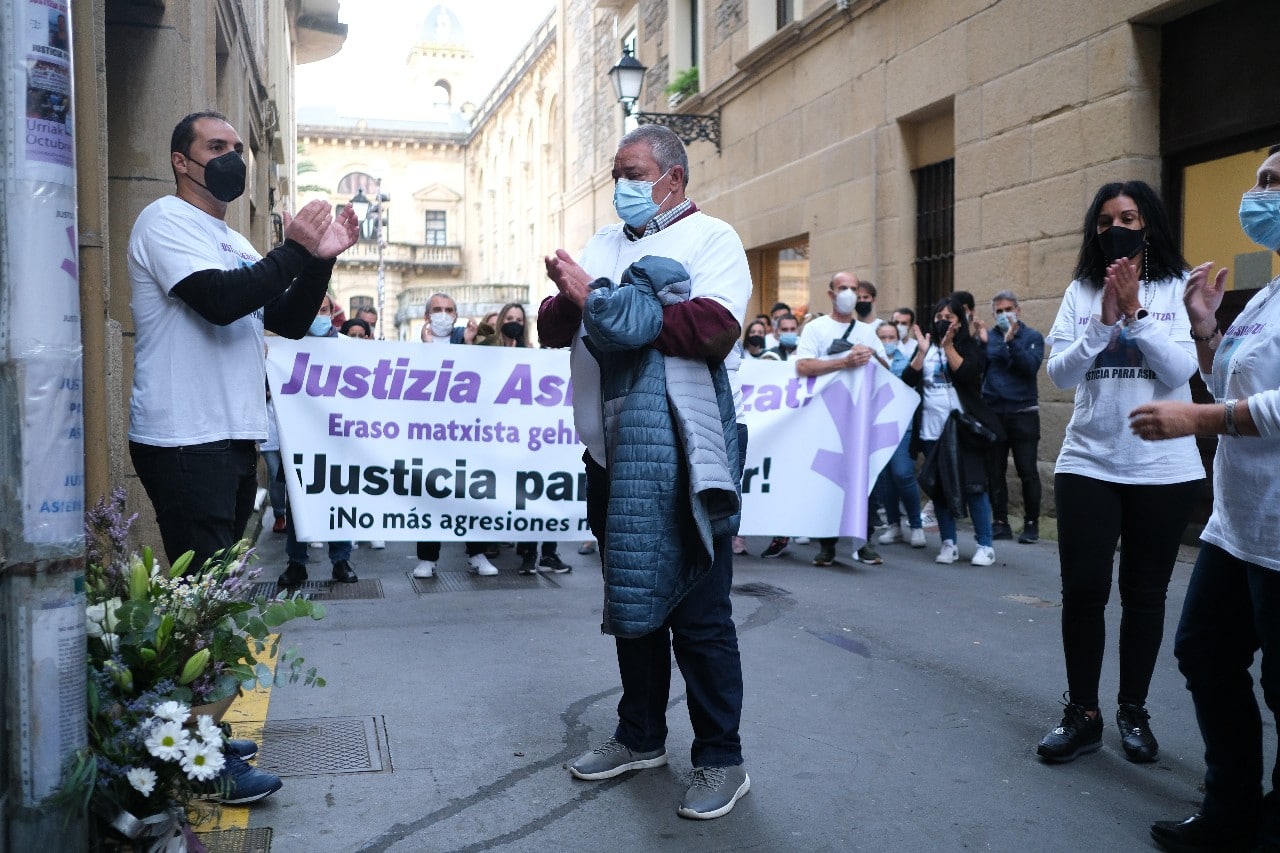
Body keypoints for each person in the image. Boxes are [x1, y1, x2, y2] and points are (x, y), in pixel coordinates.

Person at [127, 110, 358, 806]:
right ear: (181, 160)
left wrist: (320, 259)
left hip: (230, 436)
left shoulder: (231, 238)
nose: (232, 157)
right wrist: (293, 250)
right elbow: (222, 301)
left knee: (214, 604)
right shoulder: (163, 222)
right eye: (216, 146)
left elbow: (281, 318)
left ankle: (204, 735)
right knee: (199, 607)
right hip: (182, 436)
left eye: (238, 148)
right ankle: (200, 761)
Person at [539, 124, 751, 820]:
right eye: (616, 174)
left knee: (699, 614)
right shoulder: (603, 243)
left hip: (681, 460)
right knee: (633, 604)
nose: (621, 186)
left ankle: (721, 757)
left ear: (673, 178)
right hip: (610, 459)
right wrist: (574, 294)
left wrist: (600, 300)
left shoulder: (712, 239)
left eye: (633, 173)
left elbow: (710, 329)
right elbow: (553, 328)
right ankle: (640, 736)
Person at [1134, 146, 1280, 852]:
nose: (1259, 192)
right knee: (1204, 654)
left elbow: (1236, 409)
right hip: (1237, 524)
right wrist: (1205, 329)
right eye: (1259, 180)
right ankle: (1230, 809)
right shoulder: (1271, 295)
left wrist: (1199, 419)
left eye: (1274, 181)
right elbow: (1230, 388)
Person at [1036, 180, 1204, 766]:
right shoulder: (1080, 290)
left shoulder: (1176, 286)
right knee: (1083, 591)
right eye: (1105, 221)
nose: (1116, 229)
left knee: (1145, 595)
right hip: (1089, 461)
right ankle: (1083, 713)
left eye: (1128, 218)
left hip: (1163, 467)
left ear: (1149, 225)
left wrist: (1135, 313)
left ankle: (1133, 709)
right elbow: (1060, 374)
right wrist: (1102, 323)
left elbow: (1180, 370)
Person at [794, 270, 888, 567]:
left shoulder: (867, 332)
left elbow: (886, 369)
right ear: (831, 294)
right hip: (825, 416)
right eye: (842, 287)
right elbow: (803, 366)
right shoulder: (816, 329)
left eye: (853, 288)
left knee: (862, 477)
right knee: (827, 480)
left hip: (860, 417)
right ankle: (827, 544)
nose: (849, 293)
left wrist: (870, 356)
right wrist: (844, 362)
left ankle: (864, 541)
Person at [904, 294, 1001, 566]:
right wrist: (922, 353)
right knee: (940, 489)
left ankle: (985, 545)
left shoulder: (969, 346)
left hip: (962, 431)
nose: (943, 321)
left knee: (974, 487)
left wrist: (948, 346)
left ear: (960, 321)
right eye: (939, 317)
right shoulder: (925, 347)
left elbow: (968, 374)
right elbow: (908, 379)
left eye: (949, 317)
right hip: (931, 431)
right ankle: (949, 543)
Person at [413, 291, 499, 578]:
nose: (444, 314)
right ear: (427, 315)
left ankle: (477, 553)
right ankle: (427, 559)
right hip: (430, 436)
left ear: (456, 315)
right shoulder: (414, 349)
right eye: (437, 309)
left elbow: (482, 378)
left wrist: (471, 345)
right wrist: (427, 350)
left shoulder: (467, 342)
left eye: (449, 309)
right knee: (430, 495)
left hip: (466, 434)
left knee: (471, 493)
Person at [278, 295, 357, 586]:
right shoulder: (287, 346)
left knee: (339, 499)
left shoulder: (348, 347)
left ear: (332, 312)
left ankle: (341, 560)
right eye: (312, 308)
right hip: (299, 439)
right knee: (297, 505)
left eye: (322, 309)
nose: (318, 315)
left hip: (338, 439)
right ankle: (296, 563)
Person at [978, 291, 1044, 544]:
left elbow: (1029, 367)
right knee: (994, 471)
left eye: (1008, 309)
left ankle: (1031, 524)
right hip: (994, 413)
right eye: (999, 311)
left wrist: (1011, 341)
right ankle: (1000, 522)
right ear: (993, 313)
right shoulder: (987, 338)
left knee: (1027, 470)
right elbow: (979, 370)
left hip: (1023, 413)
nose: (1004, 314)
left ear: (1018, 310)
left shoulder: (1032, 337)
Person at [873, 322, 926, 548]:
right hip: (877, 427)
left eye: (891, 337)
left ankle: (916, 525)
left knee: (903, 474)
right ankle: (894, 525)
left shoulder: (906, 362)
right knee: (886, 479)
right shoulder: (868, 364)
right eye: (882, 337)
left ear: (898, 339)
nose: (887, 342)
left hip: (904, 427)